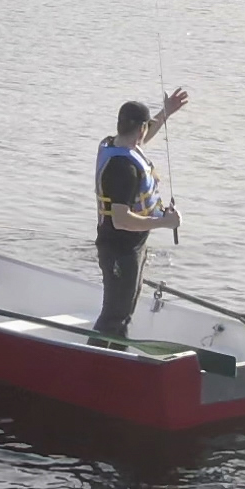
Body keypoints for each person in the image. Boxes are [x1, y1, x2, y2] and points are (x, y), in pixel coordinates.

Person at [92, 90, 189, 341]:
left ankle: (116, 357)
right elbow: (121, 220)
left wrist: (165, 112)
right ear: (141, 129)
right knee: (115, 314)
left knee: (126, 309)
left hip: (133, 246)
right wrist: (164, 222)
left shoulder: (113, 144)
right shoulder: (124, 169)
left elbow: (143, 135)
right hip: (119, 250)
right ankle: (99, 364)